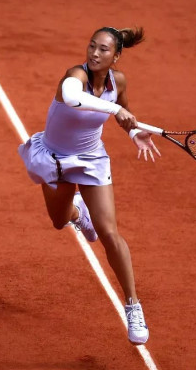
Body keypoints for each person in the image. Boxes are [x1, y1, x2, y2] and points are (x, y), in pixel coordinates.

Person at [17, 26, 161, 344]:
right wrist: (116, 109)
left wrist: (134, 132)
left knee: (109, 232)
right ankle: (77, 212)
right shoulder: (75, 76)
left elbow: (125, 115)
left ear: (116, 56)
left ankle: (133, 305)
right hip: (55, 160)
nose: (95, 53)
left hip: (92, 159)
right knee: (59, 221)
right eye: (92, 46)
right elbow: (73, 98)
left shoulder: (118, 82)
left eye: (103, 49)